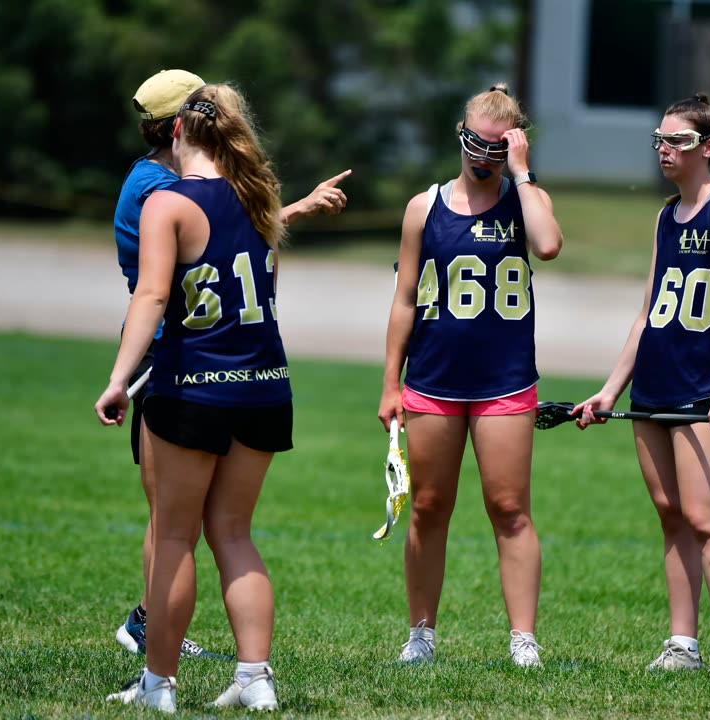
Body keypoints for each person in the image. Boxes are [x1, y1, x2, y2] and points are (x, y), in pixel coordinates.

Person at [110, 68, 350, 663]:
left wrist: (116, 379)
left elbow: (184, 270)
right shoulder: (169, 190)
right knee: (202, 529)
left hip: (189, 373)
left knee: (175, 529)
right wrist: (286, 210)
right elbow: (217, 249)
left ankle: (156, 665)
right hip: (230, 372)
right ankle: (219, 658)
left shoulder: (179, 192)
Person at [95, 81, 304, 713]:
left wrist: (117, 378)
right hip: (266, 386)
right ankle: (255, 678)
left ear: (178, 131)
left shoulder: (168, 202)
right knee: (235, 534)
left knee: (176, 537)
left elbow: (152, 297)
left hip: (193, 389)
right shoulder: (259, 197)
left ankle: (159, 685)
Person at [377, 82, 563, 668]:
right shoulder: (423, 207)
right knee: (430, 505)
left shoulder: (524, 198)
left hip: (505, 381)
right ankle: (421, 635)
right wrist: (390, 381)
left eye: (498, 149)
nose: (484, 159)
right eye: (475, 145)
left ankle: (523, 640)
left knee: (509, 507)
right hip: (432, 379)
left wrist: (524, 174)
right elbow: (406, 296)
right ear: (460, 137)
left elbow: (549, 245)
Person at [573, 94, 710, 676]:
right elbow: (648, 309)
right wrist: (610, 390)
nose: (663, 149)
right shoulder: (663, 216)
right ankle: (683, 644)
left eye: (676, 141)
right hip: (655, 381)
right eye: (660, 138)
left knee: (706, 518)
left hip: (702, 385)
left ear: (708, 147)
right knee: (670, 514)